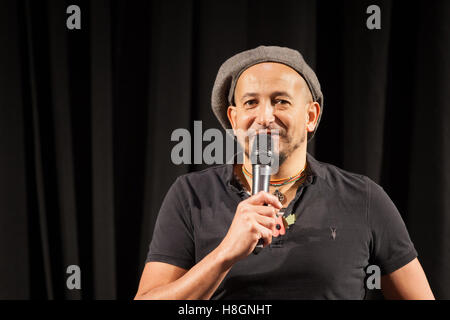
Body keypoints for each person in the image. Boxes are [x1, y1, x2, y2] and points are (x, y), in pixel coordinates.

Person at [135, 46, 434, 300]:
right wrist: (224, 254)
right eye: (251, 102)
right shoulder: (191, 196)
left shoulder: (363, 198)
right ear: (234, 118)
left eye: (281, 101)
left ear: (311, 116)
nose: (265, 117)